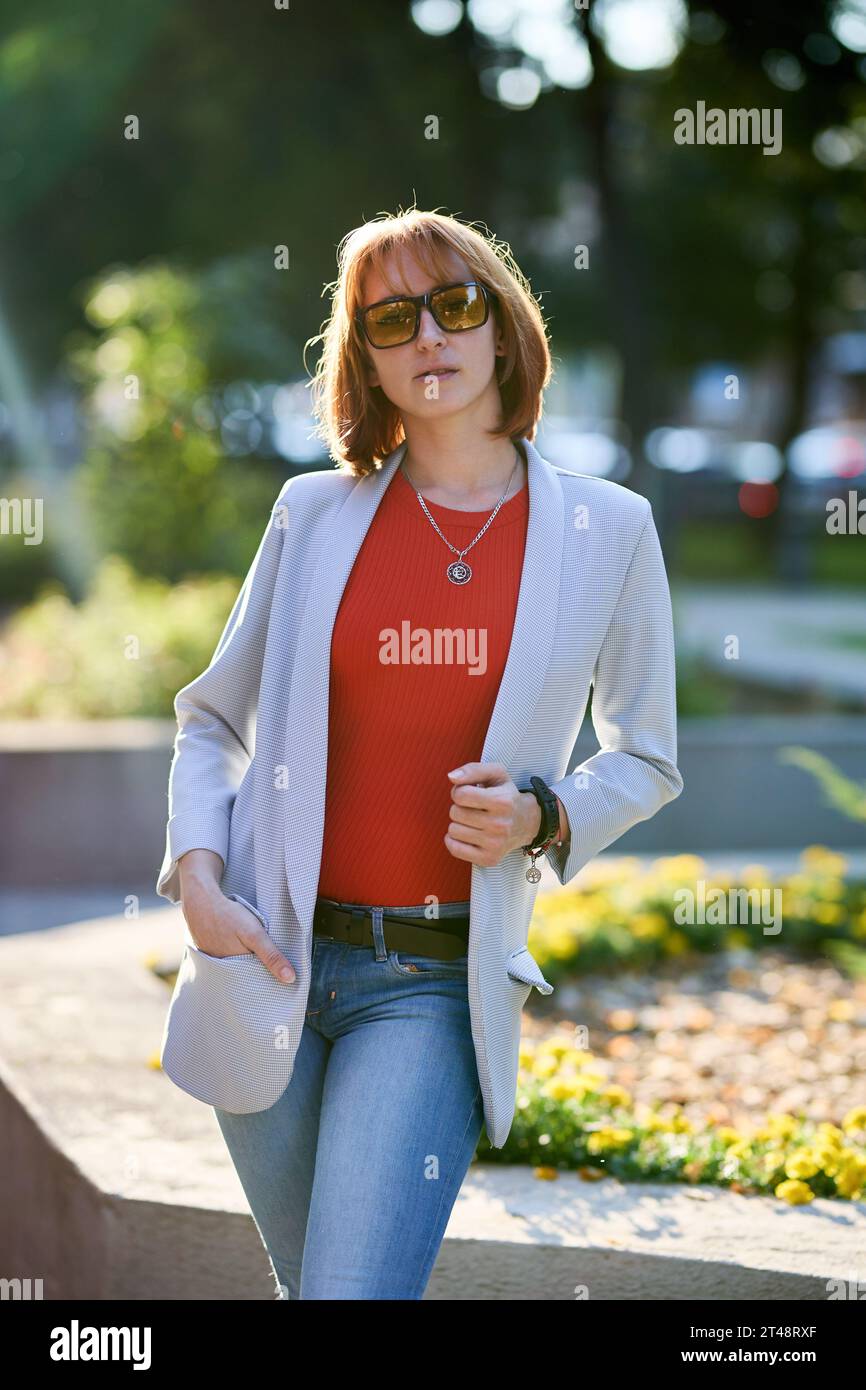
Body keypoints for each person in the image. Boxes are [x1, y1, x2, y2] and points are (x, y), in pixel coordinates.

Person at [155, 206, 684, 1300]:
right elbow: (212, 718)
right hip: (267, 960)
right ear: (365, 359)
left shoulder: (609, 530)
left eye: (452, 304)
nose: (427, 338)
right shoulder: (312, 515)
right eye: (390, 320)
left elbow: (645, 756)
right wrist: (198, 879)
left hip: (431, 983)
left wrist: (545, 813)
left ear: (502, 328)